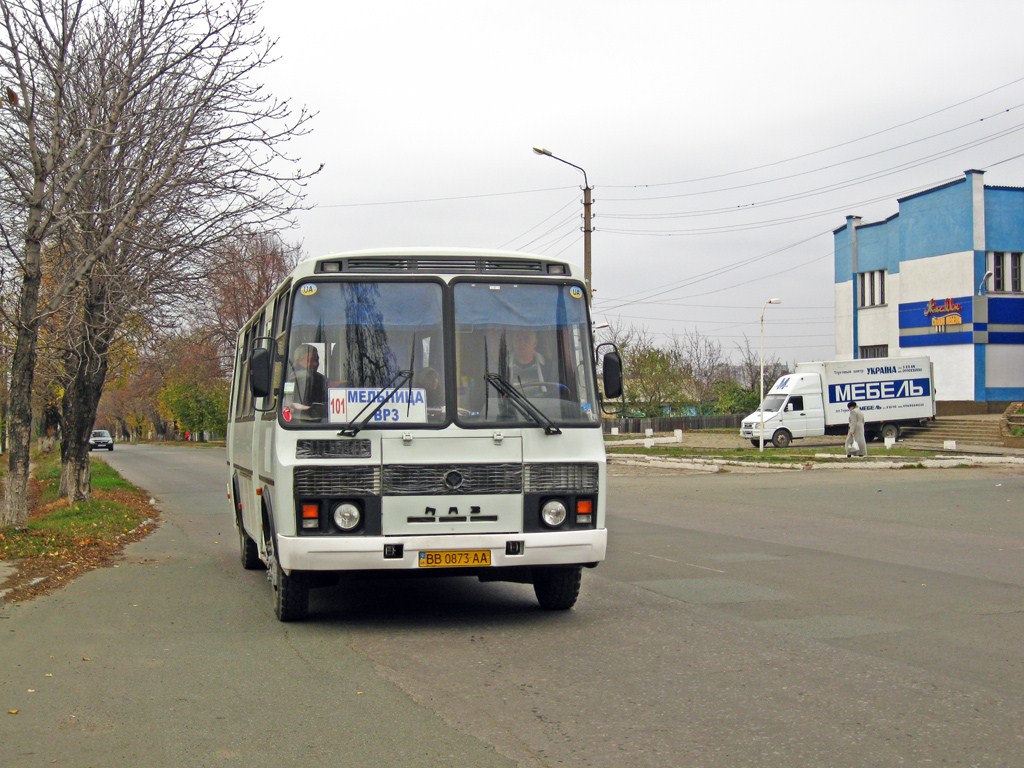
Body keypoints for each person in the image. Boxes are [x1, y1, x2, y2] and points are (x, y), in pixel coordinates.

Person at [291, 343, 327, 417]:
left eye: (317, 360)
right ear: (298, 361)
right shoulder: (296, 378)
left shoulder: (317, 377)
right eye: (311, 360)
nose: (316, 363)